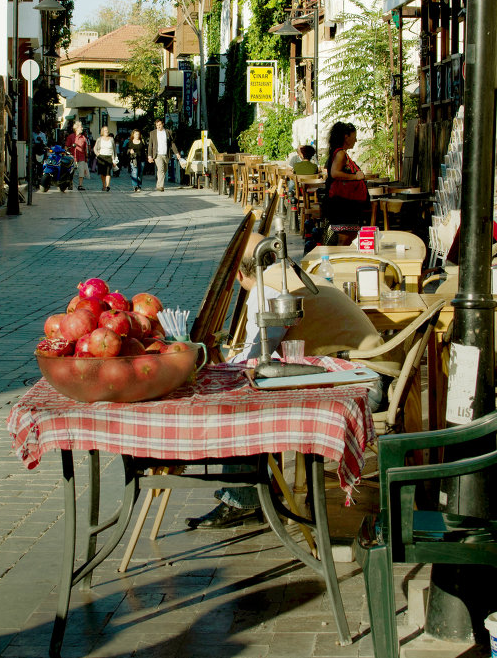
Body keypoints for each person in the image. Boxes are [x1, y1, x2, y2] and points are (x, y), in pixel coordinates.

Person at [185, 232, 384, 530]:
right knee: (260, 391)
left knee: (244, 402)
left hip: (360, 386)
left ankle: (242, 499)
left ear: (239, 275)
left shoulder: (267, 289)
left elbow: (256, 356)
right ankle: (258, 491)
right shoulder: (288, 273)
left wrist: (223, 366)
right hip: (369, 374)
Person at [322, 121, 370, 245]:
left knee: (346, 238)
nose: (356, 140)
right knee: (344, 239)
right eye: (354, 136)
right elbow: (335, 173)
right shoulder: (340, 154)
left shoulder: (338, 152)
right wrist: (355, 176)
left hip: (342, 203)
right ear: (346, 136)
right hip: (343, 205)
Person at [147, 119, 181, 192]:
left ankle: (158, 184)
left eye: (159, 125)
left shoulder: (168, 132)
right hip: (157, 154)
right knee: (161, 169)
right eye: (157, 125)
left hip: (166, 154)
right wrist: (149, 156)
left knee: (164, 170)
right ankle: (161, 186)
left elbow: (172, 144)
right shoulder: (152, 133)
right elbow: (150, 145)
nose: (158, 127)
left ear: (163, 124)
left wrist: (177, 153)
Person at [65, 121, 90, 190]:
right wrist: (67, 152)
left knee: (81, 171)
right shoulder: (71, 136)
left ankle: (80, 185)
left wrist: (86, 157)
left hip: (81, 156)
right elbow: (66, 146)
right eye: (80, 127)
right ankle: (71, 183)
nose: (82, 128)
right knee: (71, 171)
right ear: (76, 128)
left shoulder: (83, 138)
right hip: (72, 156)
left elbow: (85, 148)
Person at [93, 124, 118, 192]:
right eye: (105, 130)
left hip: (109, 157)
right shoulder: (99, 139)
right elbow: (95, 148)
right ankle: (104, 185)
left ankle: (107, 186)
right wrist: (98, 154)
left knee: (108, 172)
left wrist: (114, 159)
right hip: (101, 157)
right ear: (102, 132)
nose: (106, 131)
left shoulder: (111, 139)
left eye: (107, 130)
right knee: (102, 173)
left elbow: (114, 149)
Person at [126, 129, 147, 193]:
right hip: (134, 160)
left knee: (140, 173)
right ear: (133, 135)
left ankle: (139, 185)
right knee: (135, 172)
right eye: (135, 134)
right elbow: (126, 150)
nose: (137, 135)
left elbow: (145, 149)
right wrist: (130, 151)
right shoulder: (130, 142)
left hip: (142, 159)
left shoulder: (142, 141)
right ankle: (135, 186)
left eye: (138, 134)